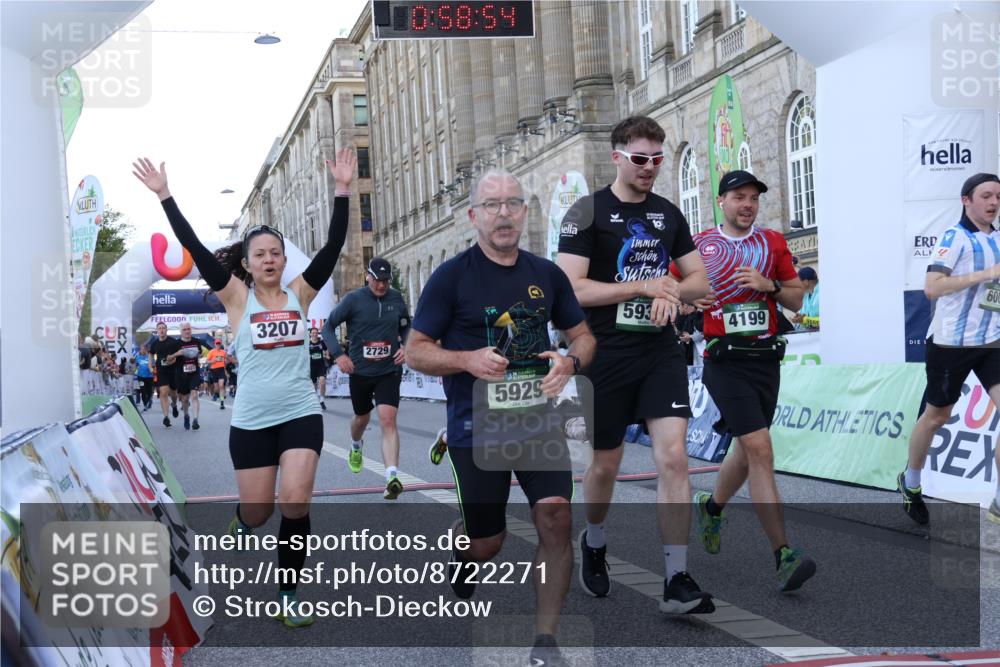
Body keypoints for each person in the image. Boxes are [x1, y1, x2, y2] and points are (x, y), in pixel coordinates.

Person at [133, 148, 351, 626]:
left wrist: (341, 191)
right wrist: (166, 196)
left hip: (299, 412)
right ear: (248, 265)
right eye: (260, 255)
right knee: (258, 512)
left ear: (282, 259)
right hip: (252, 418)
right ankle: (242, 521)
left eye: (276, 253)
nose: (270, 259)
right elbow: (193, 245)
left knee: (295, 501)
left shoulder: (301, 293)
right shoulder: (236, 297)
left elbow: (333, 247)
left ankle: (288, 594)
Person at [407, 169, 595, 666]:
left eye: (513, 203)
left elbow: (583, 336)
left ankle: (545, 643)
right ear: (474, 216)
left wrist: (570, 362)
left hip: (538, 422)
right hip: (478, 426)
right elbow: (416, 351)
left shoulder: (547, 274)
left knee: (555, 515)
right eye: (492, 205)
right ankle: (465, 552)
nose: (504, 213)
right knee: (489, 541)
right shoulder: (451, 277)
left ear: (525, 212)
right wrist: (466, 360)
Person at [556, 115, 713, 614]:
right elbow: (571, 288)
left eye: (657, 159)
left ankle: (677, 578)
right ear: (617, 157)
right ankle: (595, 539)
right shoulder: (585, 212)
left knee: (674, 457)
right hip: (602, 354)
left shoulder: (668, 214)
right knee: (606, 463)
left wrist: (672, 292)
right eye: (640, 159)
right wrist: (644, 287)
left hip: (658, 352)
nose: (649, 168)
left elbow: (699, 282)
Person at [685, 169, 816, 592]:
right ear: (721, 201)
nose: (747, 204)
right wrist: (689, 294)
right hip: (724, 361)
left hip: (765, 360)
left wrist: (769, 285)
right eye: (739, 197)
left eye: (753, 198)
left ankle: (712, 507)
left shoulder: (772, 242)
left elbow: (797, 297)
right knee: (760, 447)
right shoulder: (701, 245)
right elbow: (670, 283)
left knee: (746, 446)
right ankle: (783, 554)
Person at [899, 172, 1000, 525]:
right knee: (936, 417)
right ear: (966, 200)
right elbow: (932, 286)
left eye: (998, 197)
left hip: (991, 342)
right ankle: (910, 482)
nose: (993, 203)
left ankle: (999, 504)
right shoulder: (953, 238)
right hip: (950, 345)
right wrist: (985, 274)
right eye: (986, 195)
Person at [321, 257, 411, 499]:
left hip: (389, 370)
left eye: (385, 281)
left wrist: (407, 345)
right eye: (377, 280)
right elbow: (327, 328)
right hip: (360, 371)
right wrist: (339, 355)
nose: (381, 285)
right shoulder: (353, 300)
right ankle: (356, 445)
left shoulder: (396, 298)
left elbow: (406, 325)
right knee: (361, 418)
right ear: (367, 276)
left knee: (388, 419)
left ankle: (392, 477)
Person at [164, 323, 211, 430]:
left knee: (194, 395)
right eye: (184, 329)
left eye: (188, 329)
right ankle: (186, 415)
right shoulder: (175, 344)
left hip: (194, 372)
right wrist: (177, 354)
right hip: (181, 374)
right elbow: (168, 359)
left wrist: (200, 355)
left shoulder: (196, 341)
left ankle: (195, 420)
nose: (187, 331)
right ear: (181, 331)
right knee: (184, 399)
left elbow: (199, 354)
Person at [147, 322, 181, 427]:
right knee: (163, 392)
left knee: (174, 394)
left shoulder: (173, 342)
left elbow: (179, 354)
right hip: (161, 371)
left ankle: (174, 405)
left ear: (166, 330)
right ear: (157, 331)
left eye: (163, 328)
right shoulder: (155, 343)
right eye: (159, 328)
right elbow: (151, 354)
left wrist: (173, 360)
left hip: (173, 370)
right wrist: (150, 366)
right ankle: (166, 417)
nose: (161, 330)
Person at [307, 328, 330, 411]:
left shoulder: (321, 342)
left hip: (321, 365)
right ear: (310, 334)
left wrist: (327, 355)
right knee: (313, 386)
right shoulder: (307, 343)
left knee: (322, 382)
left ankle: (322, 401)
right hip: (311, 366)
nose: (314, 334)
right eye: (313, 333)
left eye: (316, 333)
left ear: (318, 334)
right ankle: (315, 400)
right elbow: (304, 352)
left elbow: (326, 348)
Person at [206, 338, 229, 410]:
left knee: (221, 386)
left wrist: (226, 362)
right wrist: (212, 361)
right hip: (214, 371)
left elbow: (228, 359)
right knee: (216, 388)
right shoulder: (211, 352)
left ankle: (222, 402)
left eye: (219, 343)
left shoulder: (223, 352)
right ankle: (216, 394)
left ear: (220, 344)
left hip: (221, 370)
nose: (218, 345)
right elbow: (207, 361)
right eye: (217, 344)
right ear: (214, 344)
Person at [133, 344, 154, 411]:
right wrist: (135, 372)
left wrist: (153, 371)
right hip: (140, 377)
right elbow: (136, 366)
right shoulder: (138, 357)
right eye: (141, 349)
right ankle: (145, 405)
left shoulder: (150, 357)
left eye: (144, 349)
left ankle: (149, 400)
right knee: (142, 390)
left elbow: (153, 366)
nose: (143, 350)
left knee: (149, 391)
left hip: (149, 377)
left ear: (146, 350)